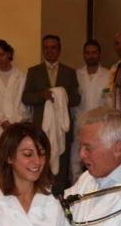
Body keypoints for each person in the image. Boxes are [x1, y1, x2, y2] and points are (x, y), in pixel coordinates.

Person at [22, 34, 80, 195]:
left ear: (59, 50)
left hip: (62, 128)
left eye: (53, 47)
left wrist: (61, 96)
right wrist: (43, 95)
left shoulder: (69, 72)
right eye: (46, 47)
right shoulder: (34, 72)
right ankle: (40, 197)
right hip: (41, 128)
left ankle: (61, 199)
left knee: (62, 165)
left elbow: (76, 99)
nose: (49, 51)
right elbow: (26, 97)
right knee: (41, 162)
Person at [0, 39, 30, 176]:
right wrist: (3, 121)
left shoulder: (21, 77)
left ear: (9, 54)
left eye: (2, 54)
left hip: (17, 126)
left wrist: (14, 122)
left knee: (18, 163)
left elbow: (25, 103)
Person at [72, 40, 111, 182]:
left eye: (94, 52)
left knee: (97, 158)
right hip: (79, 124)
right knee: (76, 159)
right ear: (84, 54)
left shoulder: (108, 75)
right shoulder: (76, 75)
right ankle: (76, 191)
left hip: (99, 126)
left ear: (99, 54)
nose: (91, 55)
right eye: (88, 53)